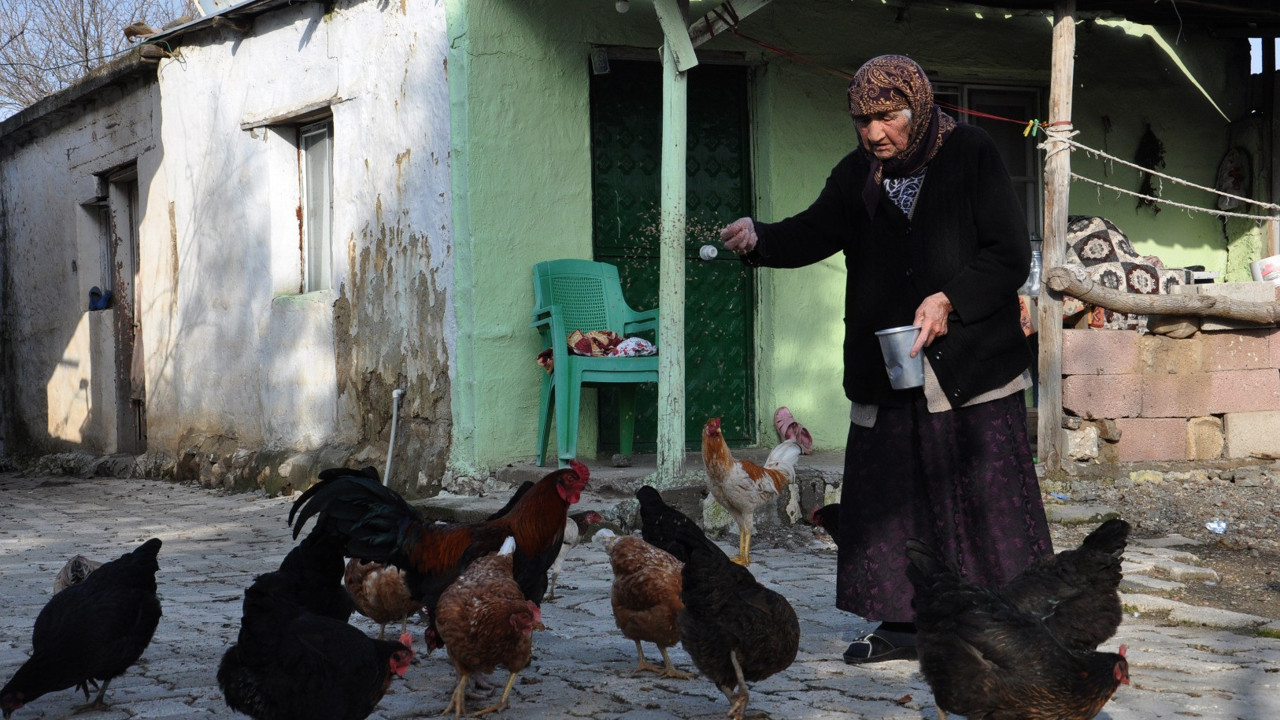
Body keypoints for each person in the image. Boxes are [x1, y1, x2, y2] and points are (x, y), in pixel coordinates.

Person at [719, 54, 1051, 664]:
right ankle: (904, 625)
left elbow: (1008, 253)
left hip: (971, 365)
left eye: (887, 116)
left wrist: (950, 297)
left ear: (918, 106)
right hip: (889, 367)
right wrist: (759, 239)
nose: (875, 133)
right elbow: (812, 231)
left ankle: (1002, 624)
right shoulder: (858, 176)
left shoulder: (972, 153)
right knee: (894, 498)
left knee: (983, 497)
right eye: (862, 120)